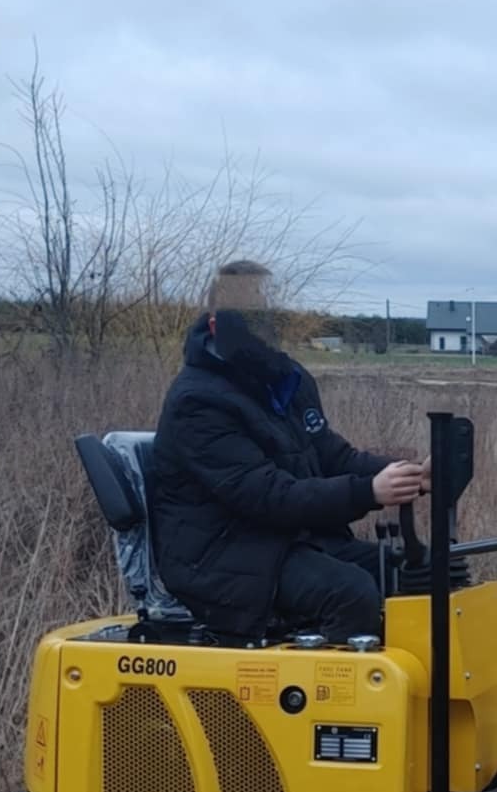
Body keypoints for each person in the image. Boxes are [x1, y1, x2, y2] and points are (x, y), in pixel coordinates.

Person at [150, 261, 425, 642]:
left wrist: (412, 474)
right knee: (351, 593)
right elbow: (267, 495)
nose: (264, 329)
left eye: (268, 315)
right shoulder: (197, 403)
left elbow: (332, 457)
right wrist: (369, 492)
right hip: (218, 557)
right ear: (216, 324)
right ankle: (338, 680)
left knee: (419, 572)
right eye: (251, 318)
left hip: (281, 541)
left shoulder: (283, 382)